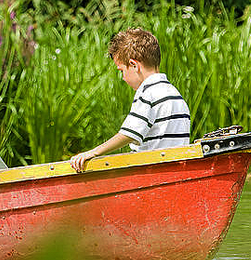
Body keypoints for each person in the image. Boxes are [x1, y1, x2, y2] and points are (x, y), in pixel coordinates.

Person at [69, 27, 191, 173]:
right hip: (175, 171)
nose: (123, 78)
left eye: (121, 70)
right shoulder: (174, 93)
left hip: (153, 173)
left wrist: (93, 152)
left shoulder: (147, 93)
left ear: (134, 65)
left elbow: (129, 134)